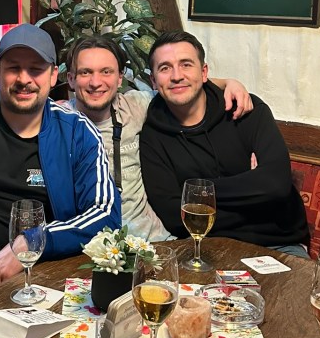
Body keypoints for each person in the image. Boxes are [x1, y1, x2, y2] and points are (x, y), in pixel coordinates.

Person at [0, 23, 120, 324]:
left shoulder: (77, 132)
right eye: (14, 68)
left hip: (43, 286)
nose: (24, 79)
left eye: (36, 69)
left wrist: (30, 243)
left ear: (53, 76)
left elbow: (106, 215)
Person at [65, 35, 253, 242]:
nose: (95, 82)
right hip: (89, 247)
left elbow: (178, 87)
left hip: (156, 243)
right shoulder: (56, 123)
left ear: (120, 78)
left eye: (106, 72)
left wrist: (228, 83)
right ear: (71, 79)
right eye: (85, 72)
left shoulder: (136, 106)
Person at [139, 30, 310, 255]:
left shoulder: (247, 109)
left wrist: (191, 191)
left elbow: (276, 185)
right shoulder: (152, 133)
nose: (176, 75)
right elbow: (173, 216)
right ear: (153, 80)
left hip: (278, 243)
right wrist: (253, 189)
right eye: (165, 68)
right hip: (206, 247)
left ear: (204, 72)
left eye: (186, 64)